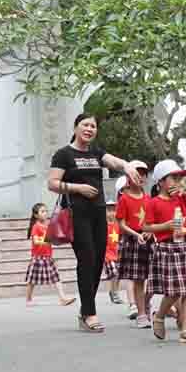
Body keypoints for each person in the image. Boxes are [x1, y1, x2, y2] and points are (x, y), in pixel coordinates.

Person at [46, 114, 145, 333]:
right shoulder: (64, 154)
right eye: (85, 125)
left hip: (99, 212)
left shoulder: (96, 152)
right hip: (76, 214)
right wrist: (77, 188)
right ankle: (89, 313)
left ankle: (85, 311)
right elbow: (52, 183)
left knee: (98, 260)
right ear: (76, 127)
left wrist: (127, 166)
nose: (90, 129)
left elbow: (113, 161)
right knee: (87, 259)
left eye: (93, 125)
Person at [144, 159, 186, 344]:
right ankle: (160, 316)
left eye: (180, 177)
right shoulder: (154, 203)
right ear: (161, 182)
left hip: (185, 245)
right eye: (174, 177)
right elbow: (146, 226)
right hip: (167, 247)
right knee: (173, 291)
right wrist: (165, 225)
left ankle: (185, 328)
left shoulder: (181, 197)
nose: (178, 181)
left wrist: (184, 188)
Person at [115, 163, 152, 327]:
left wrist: (150, 231)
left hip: (149, 240)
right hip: (133, 241)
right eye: (136, 174)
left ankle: (147, 304)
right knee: (138, 280)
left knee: (154, 277)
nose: (140, 177)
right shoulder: (124, 198)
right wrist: (136, 234)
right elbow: (121, 224)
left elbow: (153, 219)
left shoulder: (148, 198)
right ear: (128, 178)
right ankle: (141, 314)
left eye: (143, 174)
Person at [24, 204, 74, 307]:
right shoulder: (36, 226)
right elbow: (35, 240)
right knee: (32, 280)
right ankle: (28, 299)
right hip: (38, 258)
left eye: (46, 211)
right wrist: (47, 240)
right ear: (36, 215)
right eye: (42, 211)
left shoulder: (48, 226)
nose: (45, 213)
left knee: (56, 278)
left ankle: (62, 298)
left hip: (48, 256)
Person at [103, 202, 127, 307]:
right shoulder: (103, 226)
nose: (111, 213)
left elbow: (120, 238)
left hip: (116, 253)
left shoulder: (118, 225)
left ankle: (114, 292)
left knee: (117, 275)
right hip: (107, 255)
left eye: (113, 210)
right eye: (108, 211)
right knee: (114, 274)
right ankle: (115, 293)